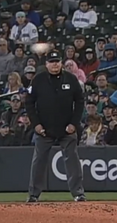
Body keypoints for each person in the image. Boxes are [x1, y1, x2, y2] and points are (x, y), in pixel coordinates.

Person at [25, 50, 86, 202]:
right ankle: (33, 195)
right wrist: (36, 125)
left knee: (72, 159)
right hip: (44, 129)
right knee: (39, 161)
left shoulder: (71, 79)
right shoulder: (38, 80)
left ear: (61, 63)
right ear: (46, 64)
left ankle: (78, 193)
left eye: (57, 61)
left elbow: (79, 101)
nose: (55, 65)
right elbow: (29, 103)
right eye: (52, 62)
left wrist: (74, 123)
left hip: (67, 128)